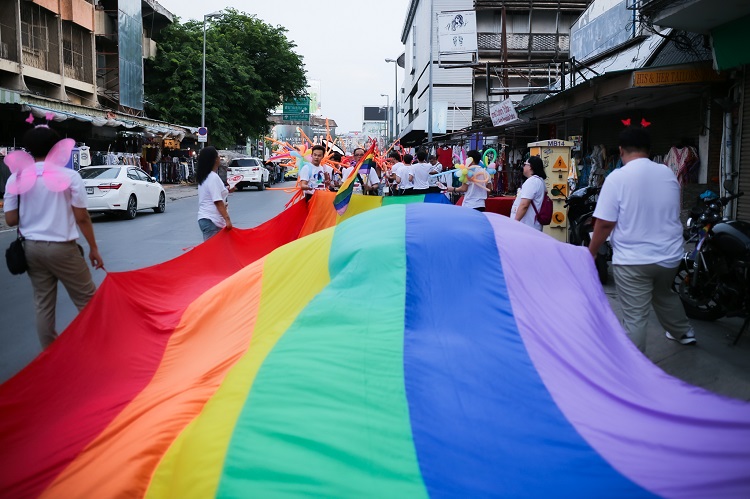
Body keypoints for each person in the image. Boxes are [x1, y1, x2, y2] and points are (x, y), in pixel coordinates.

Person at [589, 126, 695, 352]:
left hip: (633, 260)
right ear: (649, 149)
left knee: (635, 316)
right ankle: (683, 332)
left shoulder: (617, 178)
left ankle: (633, 366)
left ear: (620, 150)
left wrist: (592, 250)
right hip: (669, 257)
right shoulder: (667, 173)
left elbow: (605, 223)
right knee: (665, 294)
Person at [3, 126, 104, 349]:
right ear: (56, 147)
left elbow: (10, 220)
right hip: (62, 248)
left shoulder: (16, 178)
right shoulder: (69, 176)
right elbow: (82, 217)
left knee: (43, 306)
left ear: (28, 149)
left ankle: (51, 357)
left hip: (31, 249)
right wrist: (93, 248)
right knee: (88, 300)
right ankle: (97, 348)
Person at [196, 146, 232, 241]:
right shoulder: (213, 177)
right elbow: (217, 201)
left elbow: (214, 193)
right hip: (212, 221)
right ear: (215, 159)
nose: (220, 158)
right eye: (218, 156)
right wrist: (227, 219)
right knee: (212, 253)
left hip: (206, 219)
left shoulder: (205, 176)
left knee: (215, 251)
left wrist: (228, 190)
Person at [509, 155, 546, 230]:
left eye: (525, 164)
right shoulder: (540, 181)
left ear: (530, 167)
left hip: (526, 226)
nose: (523, 167)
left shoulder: (532, 181)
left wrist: (515, 222)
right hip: (532, 225)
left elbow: (524, 205)